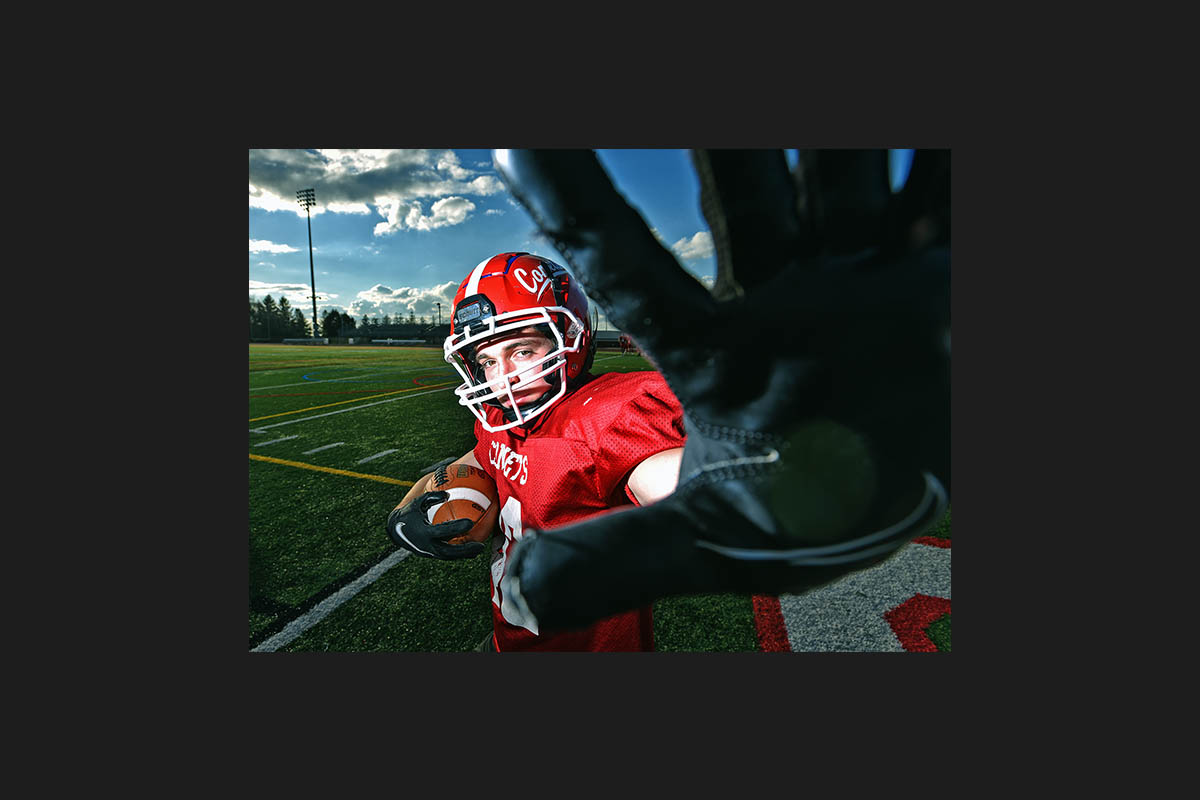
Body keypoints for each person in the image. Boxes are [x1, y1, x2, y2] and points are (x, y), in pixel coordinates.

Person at [386, 252, 685, 651]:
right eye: (487, 360)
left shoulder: (600, 419)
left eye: (523, 350)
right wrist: (415, 502)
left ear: (570, 337)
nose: (504, 376)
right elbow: (481, 457)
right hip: (510, 640)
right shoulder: (500, 418)